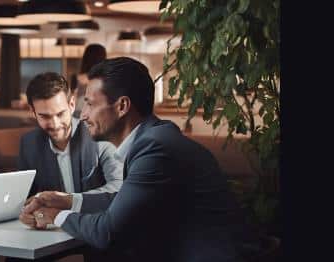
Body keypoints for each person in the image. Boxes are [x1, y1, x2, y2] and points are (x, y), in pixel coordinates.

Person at [21, 57, 262, 262]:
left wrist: (54, 215)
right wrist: (67, 200)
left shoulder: (155, 149)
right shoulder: (154, 138)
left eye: (91, 104)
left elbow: (107, 232)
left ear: (122, 106)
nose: (82, 116)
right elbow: (124, 201)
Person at [0, 72, 123, 203]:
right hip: (53, 228)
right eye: (44, 116)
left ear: (71, 104)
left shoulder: (101, 135)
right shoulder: (29, 144)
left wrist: (67, 200)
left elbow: (118, 187)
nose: (55, 124)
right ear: (33, 112)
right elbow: (25, 193)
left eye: (60, 114)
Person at [73, 44, 107, 118]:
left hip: (79, 113)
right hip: (98, 114)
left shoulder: (77, 78)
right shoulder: (106, 79)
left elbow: (73, 98)